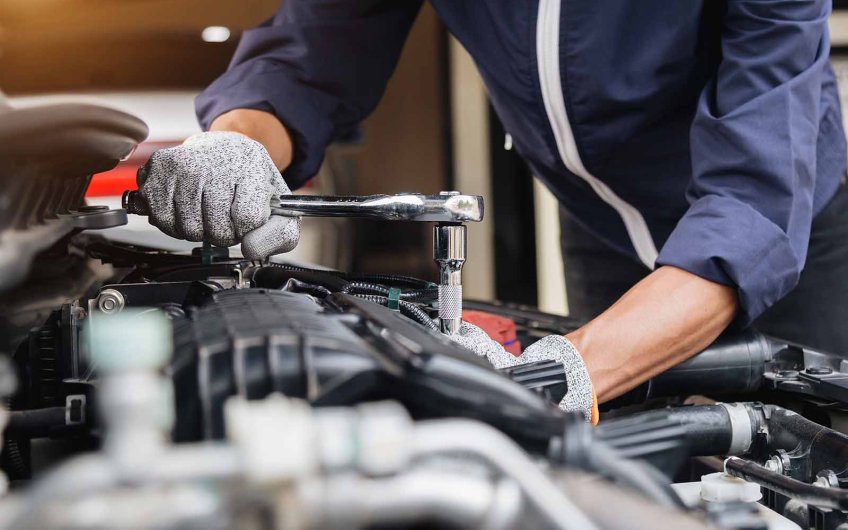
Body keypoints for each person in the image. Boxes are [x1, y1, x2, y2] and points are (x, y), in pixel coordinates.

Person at [135, 1, 847, 423]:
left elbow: (753, 201)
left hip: (794, 238)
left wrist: (554, 374)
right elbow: (308, 59)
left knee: (806, 470)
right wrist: (234, 146)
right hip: (601, 227)